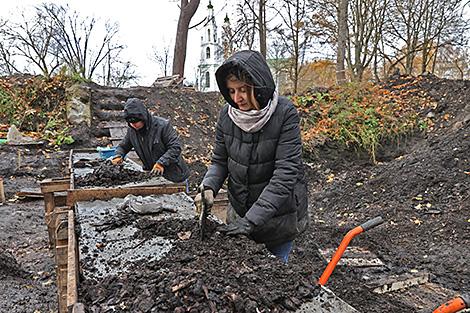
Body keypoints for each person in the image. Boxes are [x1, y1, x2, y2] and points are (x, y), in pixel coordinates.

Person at [194, 50, 309, 263]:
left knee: (275, 273)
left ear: (259, 87)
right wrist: (209, 187)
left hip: (278, 218)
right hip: (239, 211)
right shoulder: (227, 116)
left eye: (244, 90)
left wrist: (252, 221)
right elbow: (220, 161)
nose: (237, 98)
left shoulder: (284, 114)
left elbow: (285, 175)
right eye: (231, 91)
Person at [111, 98, 190, 184]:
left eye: (136, 122)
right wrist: (118, 155)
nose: (134, 125)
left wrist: (161, 163)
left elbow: (175, 147)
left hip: (174, 177)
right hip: (152, 177)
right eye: (131, 123)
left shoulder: (163, 126)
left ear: (143, 117)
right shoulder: (132, 131)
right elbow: (123, 146)